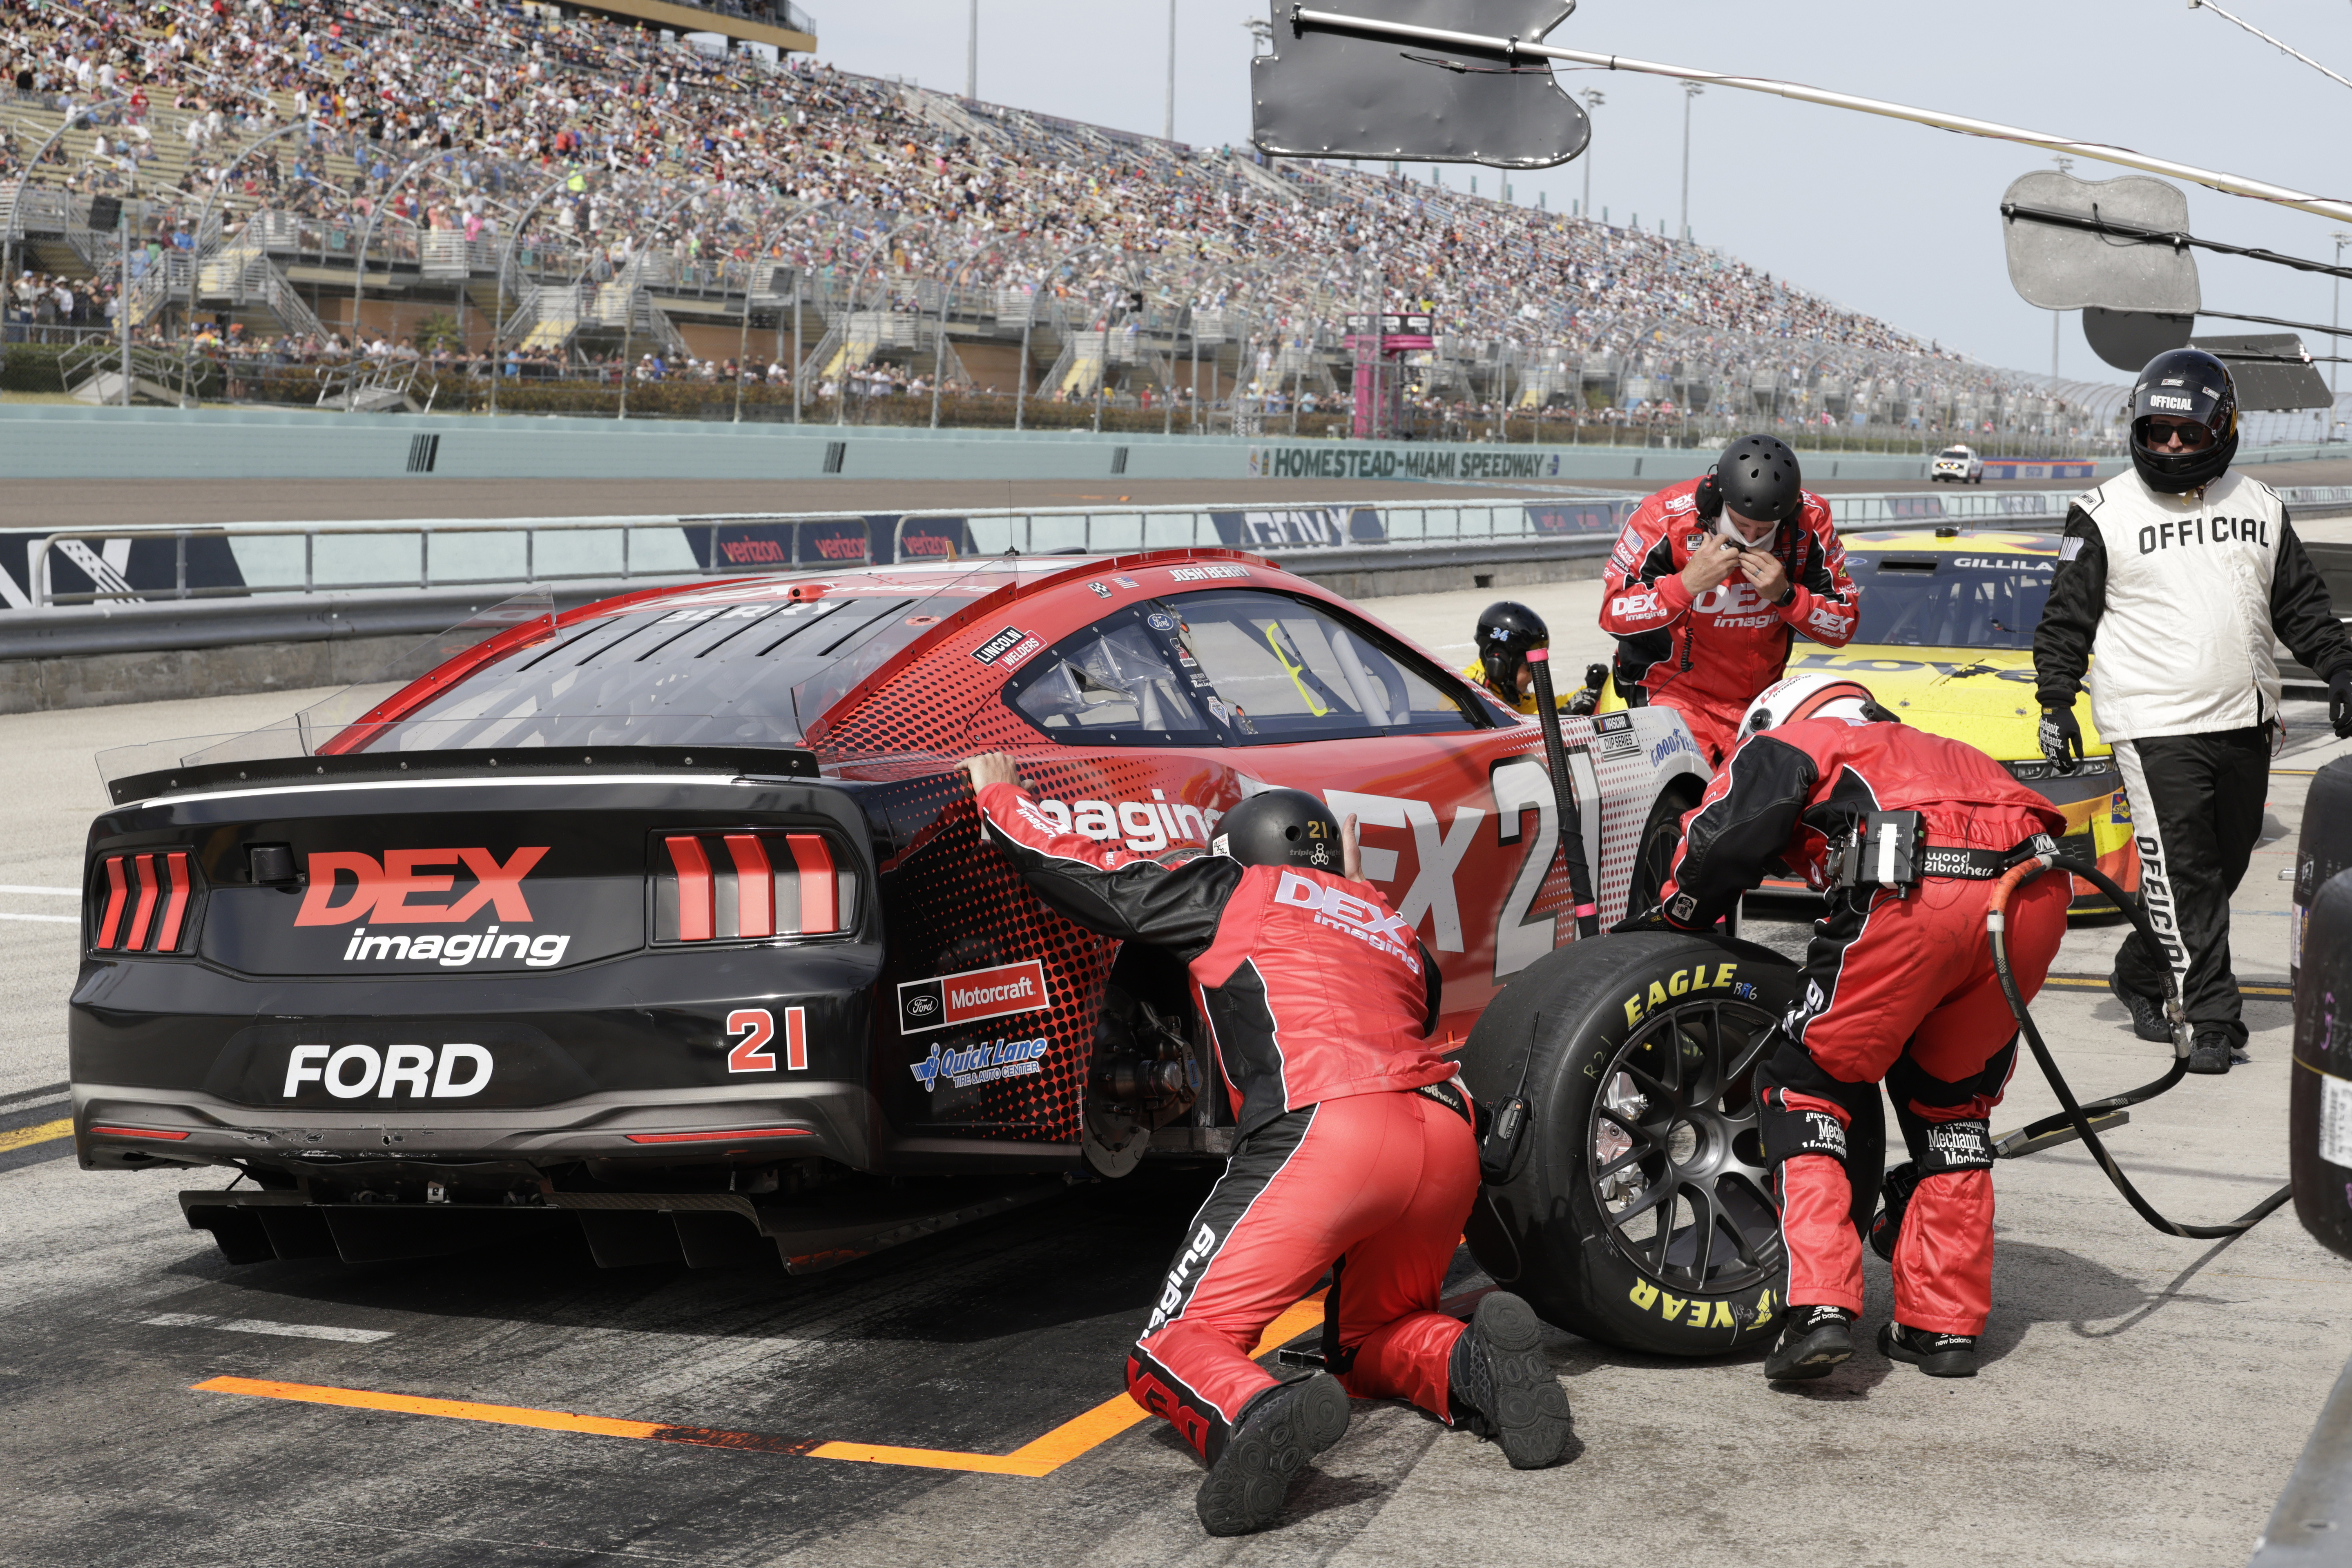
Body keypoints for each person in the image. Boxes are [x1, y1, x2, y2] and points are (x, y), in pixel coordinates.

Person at [961, 754, 1574, 1535]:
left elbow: (1091, 877)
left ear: (1237, 849)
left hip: (1330, 1128)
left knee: (1173, 1342)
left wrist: (997, 794)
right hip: (1442, 1131)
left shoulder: (1235, 889)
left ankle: (1254, 1411)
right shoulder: (1389, 923)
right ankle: (1473, 1365)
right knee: (1367, 1338)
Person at [1625, 674, 2070, 1380]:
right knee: (1951, 1107)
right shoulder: (1948, 747)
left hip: (1912, 888)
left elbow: (1720, 840)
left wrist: (1666, 916)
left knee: (1804, 1082)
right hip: (2031, 900)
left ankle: (1819, 1308)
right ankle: (1942, 1326)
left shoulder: (1793, 740)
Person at [2033, 348, 2352, 1076]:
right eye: (2155, 432)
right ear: (2136, 433)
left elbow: (2298, 604)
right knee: (2184, 875)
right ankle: (2208, 1017)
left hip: (2243, 721)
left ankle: (2141, 971)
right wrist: (2055, 697)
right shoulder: (2101, 512)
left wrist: (2336, 664)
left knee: (2222, 862)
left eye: (2186, 433)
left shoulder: (2259, 505)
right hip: (2151, 726)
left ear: (2222, 427)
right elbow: (2063, 621)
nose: (2170, 445)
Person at [1598, 435, 1861, 765]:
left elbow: (1845, 624)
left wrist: (1786, 595)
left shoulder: (1812, 518)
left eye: (1764, 529)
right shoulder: (1662, 516)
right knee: (1691, 802)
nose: (1750, 537)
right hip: (1674, 693)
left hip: (1761, 703)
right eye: (1741, 525)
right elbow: (1612, 613)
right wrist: (1685, 585)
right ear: (1717, 500)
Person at [1460, 600, 1604, 715]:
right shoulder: (1468, 697)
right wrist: (1564, 714)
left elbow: (1542, 707)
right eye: (1530, 667)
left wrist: (1588, 691)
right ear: (1500, 663)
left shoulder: (1506, 689)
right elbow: (1503, 736)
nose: (1535, 676)